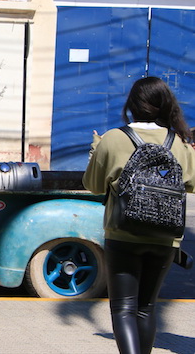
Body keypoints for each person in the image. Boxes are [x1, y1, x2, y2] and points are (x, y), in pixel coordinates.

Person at [83, 77, 195, 353]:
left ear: (131, 105)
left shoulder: (112, 139)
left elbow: (93, 186)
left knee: (123, 309)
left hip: (122, 235)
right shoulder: (179, 142)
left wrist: (96, 151)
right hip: (165, 239)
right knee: (146, 308)